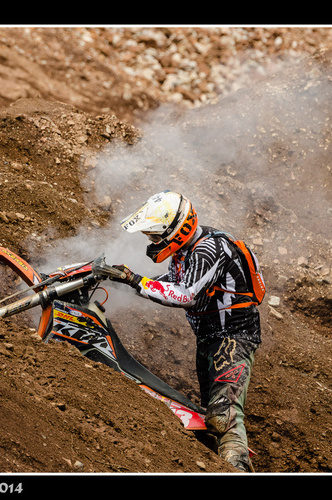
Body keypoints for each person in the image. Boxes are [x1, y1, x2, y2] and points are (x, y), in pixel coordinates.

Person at [103, 190, 264, 471]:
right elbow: (171, 283)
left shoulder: (207, 249)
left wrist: (134, 280)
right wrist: (120, 280)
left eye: (155, 236)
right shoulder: (186, 252)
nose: (152, 242)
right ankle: (220, 464)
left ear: (177, 230)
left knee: (223, 415)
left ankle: (236, 467)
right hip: (211, 339)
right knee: (210, 417)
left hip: (234, 338)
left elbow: (186, 294)